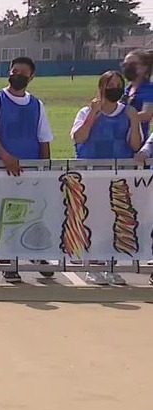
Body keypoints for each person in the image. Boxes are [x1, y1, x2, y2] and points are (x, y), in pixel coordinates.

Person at [0, 56, 53, 282]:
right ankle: (7, 260)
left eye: (22, 72)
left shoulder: (37, 104)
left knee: (34, 211)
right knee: (4, 215)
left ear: (31, 76)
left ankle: (37, 254)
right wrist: (6, 157)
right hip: (1, 170)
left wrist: (45, 169)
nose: (17, 75)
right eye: (14, 70)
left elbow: (44, 138)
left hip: (29, 171)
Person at [71, 70, 142, 285]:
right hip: (93, 175)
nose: (115, 89)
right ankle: (93, 266)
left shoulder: (127, 113)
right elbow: (79, 137)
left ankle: (112, 266)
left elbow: (135, 146)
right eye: (110, 84)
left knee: (117, 219)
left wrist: (135, 121)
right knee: (94, 219)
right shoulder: (86, 111)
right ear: (101, 87)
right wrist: (94, 114)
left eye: (119, 85)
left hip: (119, 176)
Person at [122, 49, 153, 138]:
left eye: (132, 64)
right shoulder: (126, 90)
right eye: (125, 65)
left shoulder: (149, 89)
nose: (127, 68)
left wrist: (120, 118)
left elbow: (146, 115)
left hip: (138, 139)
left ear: (145, 68)